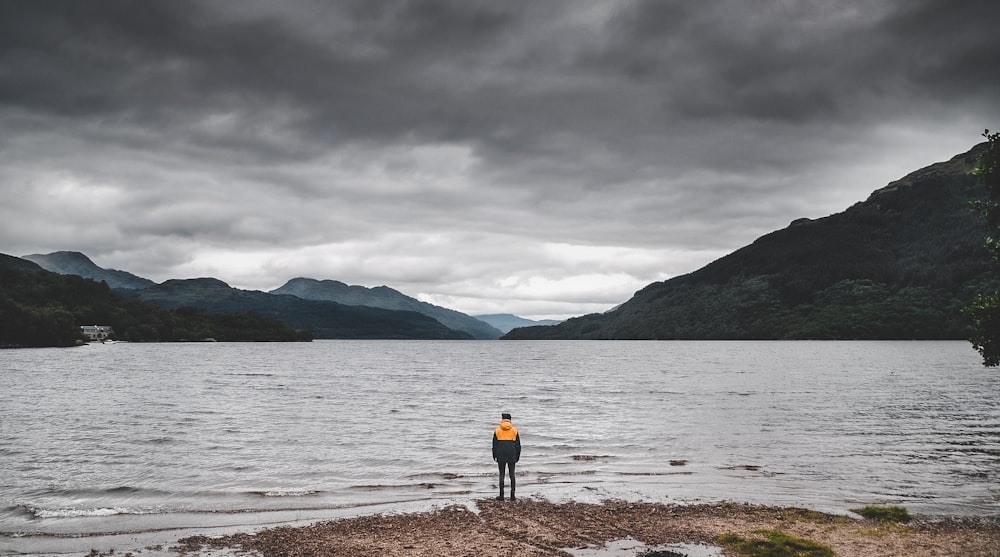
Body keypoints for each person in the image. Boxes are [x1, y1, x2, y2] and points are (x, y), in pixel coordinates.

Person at [492, 412, 521, 501]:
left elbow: (494, 445)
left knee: (502, 475)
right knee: (512, 474)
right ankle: (512, 495)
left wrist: (494, 455)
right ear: (510, 420)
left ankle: (501, 495)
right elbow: (518, 446)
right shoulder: (515, 430)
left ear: (502, 420)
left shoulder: (497, 430)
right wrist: (517, 456)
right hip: (512, 454)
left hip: (500, 454)